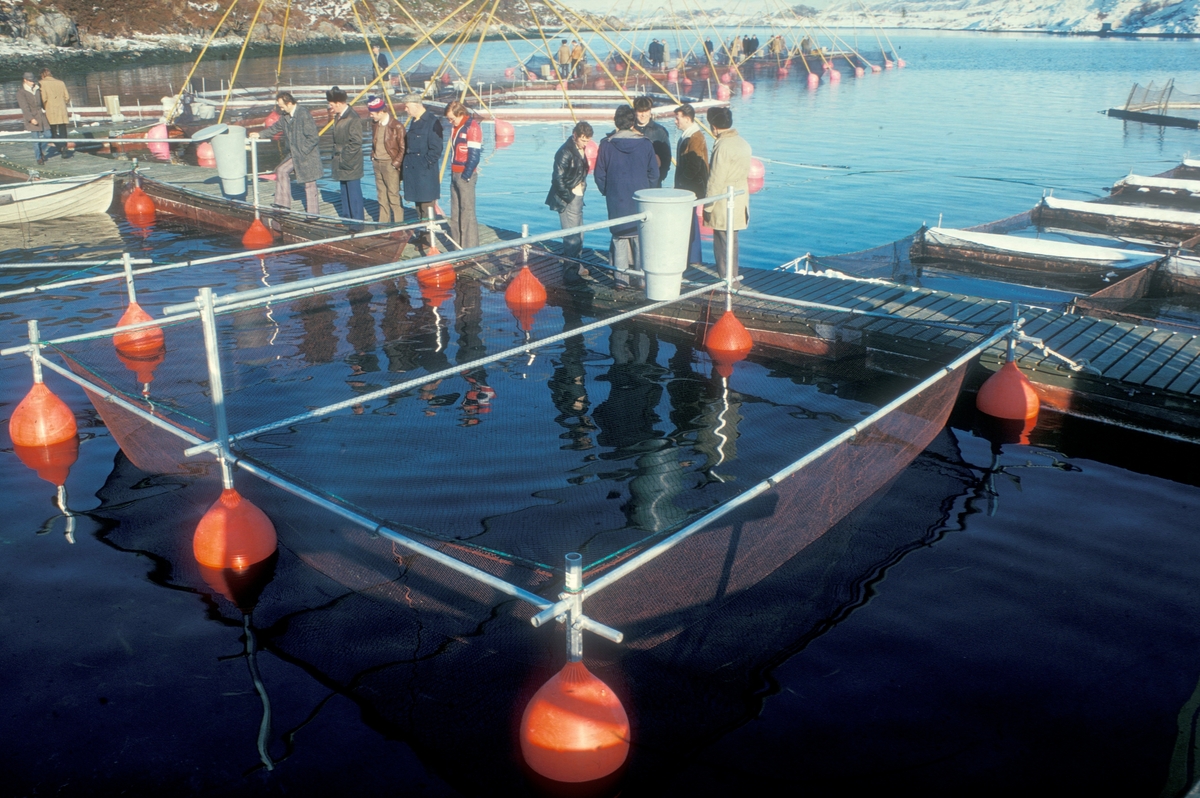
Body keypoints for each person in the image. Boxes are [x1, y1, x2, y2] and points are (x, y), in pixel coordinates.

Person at [594, 104, 658, 286]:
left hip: (616, 199)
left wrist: (608, 191)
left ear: (616, 121)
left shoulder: (606, 145)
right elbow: (654, 173)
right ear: (632, 122)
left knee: (619, 239)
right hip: (641, 199)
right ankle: (642, 280)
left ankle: (620, 280)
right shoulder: (645, 144)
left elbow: (599, 174)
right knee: (640, 238)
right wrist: (649, 192)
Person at [251, 91, 322, 216]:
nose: (280, 108)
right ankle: (283, 205)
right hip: (294, 154)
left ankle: (313, 215)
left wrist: (303, 151)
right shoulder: (285, 116)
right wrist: (259, 134)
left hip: (307, 155)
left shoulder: (304, 114)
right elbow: (275, 128)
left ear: (289, 103)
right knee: (281, 170)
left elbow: (313, 138)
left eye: (281, 105)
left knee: (309, 184)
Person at [703, 105, 751, 280]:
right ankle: (733, 277)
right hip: (740, 199)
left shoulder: (722, 146)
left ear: (713, 126)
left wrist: (708, 205)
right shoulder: (743, 143)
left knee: (721, 243)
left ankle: (725, 280)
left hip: (723, 201)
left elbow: (716, 179)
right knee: (733, 242)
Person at [545, 121, 594, 286]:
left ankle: (577, 266)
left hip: (578, 197)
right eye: (583, 140)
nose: (586, 144)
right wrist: (570, 195)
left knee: (579, 234)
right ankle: (569, 272)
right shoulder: (565, 152)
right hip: (569, 199)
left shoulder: (580, 149)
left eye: (587, 141)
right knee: (571, 237)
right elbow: (557, 178)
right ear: (575, 136)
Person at [401, 92, 444, 253]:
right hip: (413, 172)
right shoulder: (414, 121)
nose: (405, 109)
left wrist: (424, 164)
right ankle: (422, 234)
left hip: (425, 173)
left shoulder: (432, 122)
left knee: (427, 207)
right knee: (418, 207)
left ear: (416, 104)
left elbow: (436, 149)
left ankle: (428, 239)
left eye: (407, 106)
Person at [444, 100, 482, 250]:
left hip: (465, 174)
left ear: (460, 114)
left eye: (451, 118)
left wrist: (466, 176)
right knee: (455, 211)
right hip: (455, 172)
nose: (449, 121)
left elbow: (474, 155)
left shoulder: (472, 127)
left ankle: (470, 248)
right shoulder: (456, 127)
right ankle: (457, 246)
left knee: (467, 212)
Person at [673, 103, 708, 267]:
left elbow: (694, 164)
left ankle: (693, 257)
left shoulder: (695, 136)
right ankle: (691, 255)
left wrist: (682, 183)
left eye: (677, 118)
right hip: (687, 186)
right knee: (688, 219)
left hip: (690, 188)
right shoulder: (688, 134)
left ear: (687, 119)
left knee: (691, 219)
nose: (675, 121)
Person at [327, 86, 364, 222]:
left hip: (350, 162)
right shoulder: (340, 116)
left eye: (332, 105)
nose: (331, 107)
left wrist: (344, 158)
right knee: (344, 191)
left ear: (339, 103)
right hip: (341, 160)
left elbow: (356, 142)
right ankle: (347, 219)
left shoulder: (352, 118)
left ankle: (357, 223)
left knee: (353, 194)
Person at [367, 96, 405, 224]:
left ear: (381, 112)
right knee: (381, 196)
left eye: (372, 113)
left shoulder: (397, 126)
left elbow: (402, 148)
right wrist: (373, 155)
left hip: (390, 164)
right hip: (377, 163)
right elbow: (375, 142)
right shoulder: (375, 125)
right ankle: (383, 225)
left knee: (393, 195)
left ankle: (399, 226)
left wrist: (395, 163)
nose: (371, 116)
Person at [632, 95, 670, 188]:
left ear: (650, 111)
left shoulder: (659, 131)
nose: (643, 115)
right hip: (632, 180)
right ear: (635, 112)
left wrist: (660, 177)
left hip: (653, 181)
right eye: (640, 111)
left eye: (646, 111)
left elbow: (666, 158)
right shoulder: (628, 130)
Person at [17, 71, 50, 165]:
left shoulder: (37, 89)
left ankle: (40, 150)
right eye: (30, 81)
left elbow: (42, 103)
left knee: (48, 135)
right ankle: (39, 158)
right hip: (32, 117)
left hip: (41, 115)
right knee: (35, 139)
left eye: (33, 80)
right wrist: (31, 119)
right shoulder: (21, 92)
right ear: (25, 80)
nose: (32, 82)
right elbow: (25, 108)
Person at [38, 68, 70, 159]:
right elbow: (67, 97)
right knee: (63, 130)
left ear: (42, 75)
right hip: (62, 109)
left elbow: (44, 98)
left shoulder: (42, 83)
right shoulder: (61, 82)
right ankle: (64, 147)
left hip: (50, 109)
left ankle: (61, 147)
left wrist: (43, 107)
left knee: (52, 131)